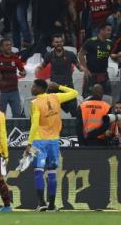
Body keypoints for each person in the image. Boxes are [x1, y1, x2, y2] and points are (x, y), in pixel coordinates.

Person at [27, 79, 78, 211]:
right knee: (52, 172)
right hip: (54, 142)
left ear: (39, 88)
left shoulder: (34, 103)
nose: (32, 88)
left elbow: (35, 124)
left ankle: (42, 203)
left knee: (38, 171)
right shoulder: (56, 97)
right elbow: (74, 93)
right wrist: (59, 86)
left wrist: (29, 143)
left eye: (34, 86)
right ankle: (51, 205)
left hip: (39, 141)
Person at [34, 35, 85, 116]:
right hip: (53, 87)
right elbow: (42, 66)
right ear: (53, 43)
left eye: (60, 42)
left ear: (63, 43)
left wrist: (84, 68)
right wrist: (38, 68)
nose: (59, 44)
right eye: (57, 42)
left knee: (74, 112)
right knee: (48, 111)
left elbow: (79, 66)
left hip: (67, 87)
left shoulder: (70, 54)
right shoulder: (49, 55)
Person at [79, 23, 114, 97]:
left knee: (107, 97)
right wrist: (85, 69)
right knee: (87, 97)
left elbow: (112, 56)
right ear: (101, 30)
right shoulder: (91, 42)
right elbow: (81, 54)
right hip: (91, 74)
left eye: (110, 30)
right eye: (108, 30)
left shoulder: (110, 43)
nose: (110, 32)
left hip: (104, 75)